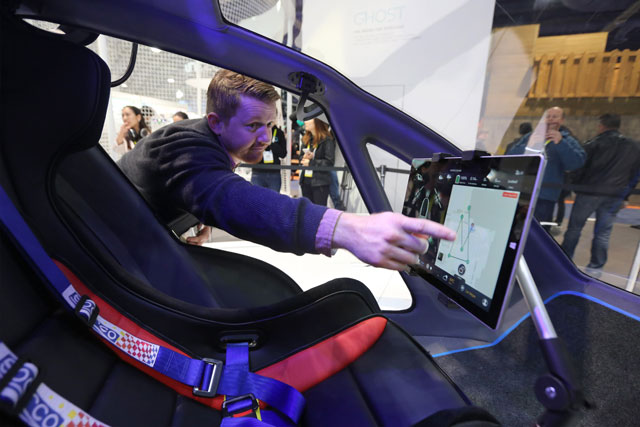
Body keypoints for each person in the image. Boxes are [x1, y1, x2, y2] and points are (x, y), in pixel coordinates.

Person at [118, 69, 455, 271]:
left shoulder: (207, 143)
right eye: (253, 126)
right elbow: (230, 198)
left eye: (269, 125)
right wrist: (348, 229)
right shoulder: (182, 145)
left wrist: (200, 220)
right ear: (215, 123)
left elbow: (202, 187)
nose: (265, 137)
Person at [561, 114, 640, 269]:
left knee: (574, 228)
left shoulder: (593, 144)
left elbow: (579, 166)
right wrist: (626, 195)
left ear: (601, 125)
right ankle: (596, 266)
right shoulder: (633, 146)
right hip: (614, 195)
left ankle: (564, 260)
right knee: (603, 233)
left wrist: (575, 186)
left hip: (589, 192)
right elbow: (635, 173)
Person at [507, 106, 585, 224]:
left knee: (539, 230)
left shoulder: (568, 141)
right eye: (548, 116)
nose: (550, 119)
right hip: (522, 192)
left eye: (555, 117)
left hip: (546, 195)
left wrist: (561, 143)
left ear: (562, 120)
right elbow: (509, 158)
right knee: (515, 227)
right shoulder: (530, 137)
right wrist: (528, 145)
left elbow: (575, 164)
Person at [299, 118, 334, 206]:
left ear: (317, 122)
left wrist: (311, 163)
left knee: (319, 213)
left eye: (308, 119)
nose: (305, 122)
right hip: (305, 181)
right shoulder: (306, 139)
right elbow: (300, 159)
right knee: (307, 211)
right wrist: (304, 157)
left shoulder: (327, 140)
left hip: (320, 184)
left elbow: (329, 163)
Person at [251, 124, 286, 192]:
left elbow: (283, 154)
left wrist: (271, 144)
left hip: (274, 173)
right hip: (258, 172)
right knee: (256, 200)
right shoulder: (256, 132)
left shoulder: (279, 133)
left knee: (273, 201)